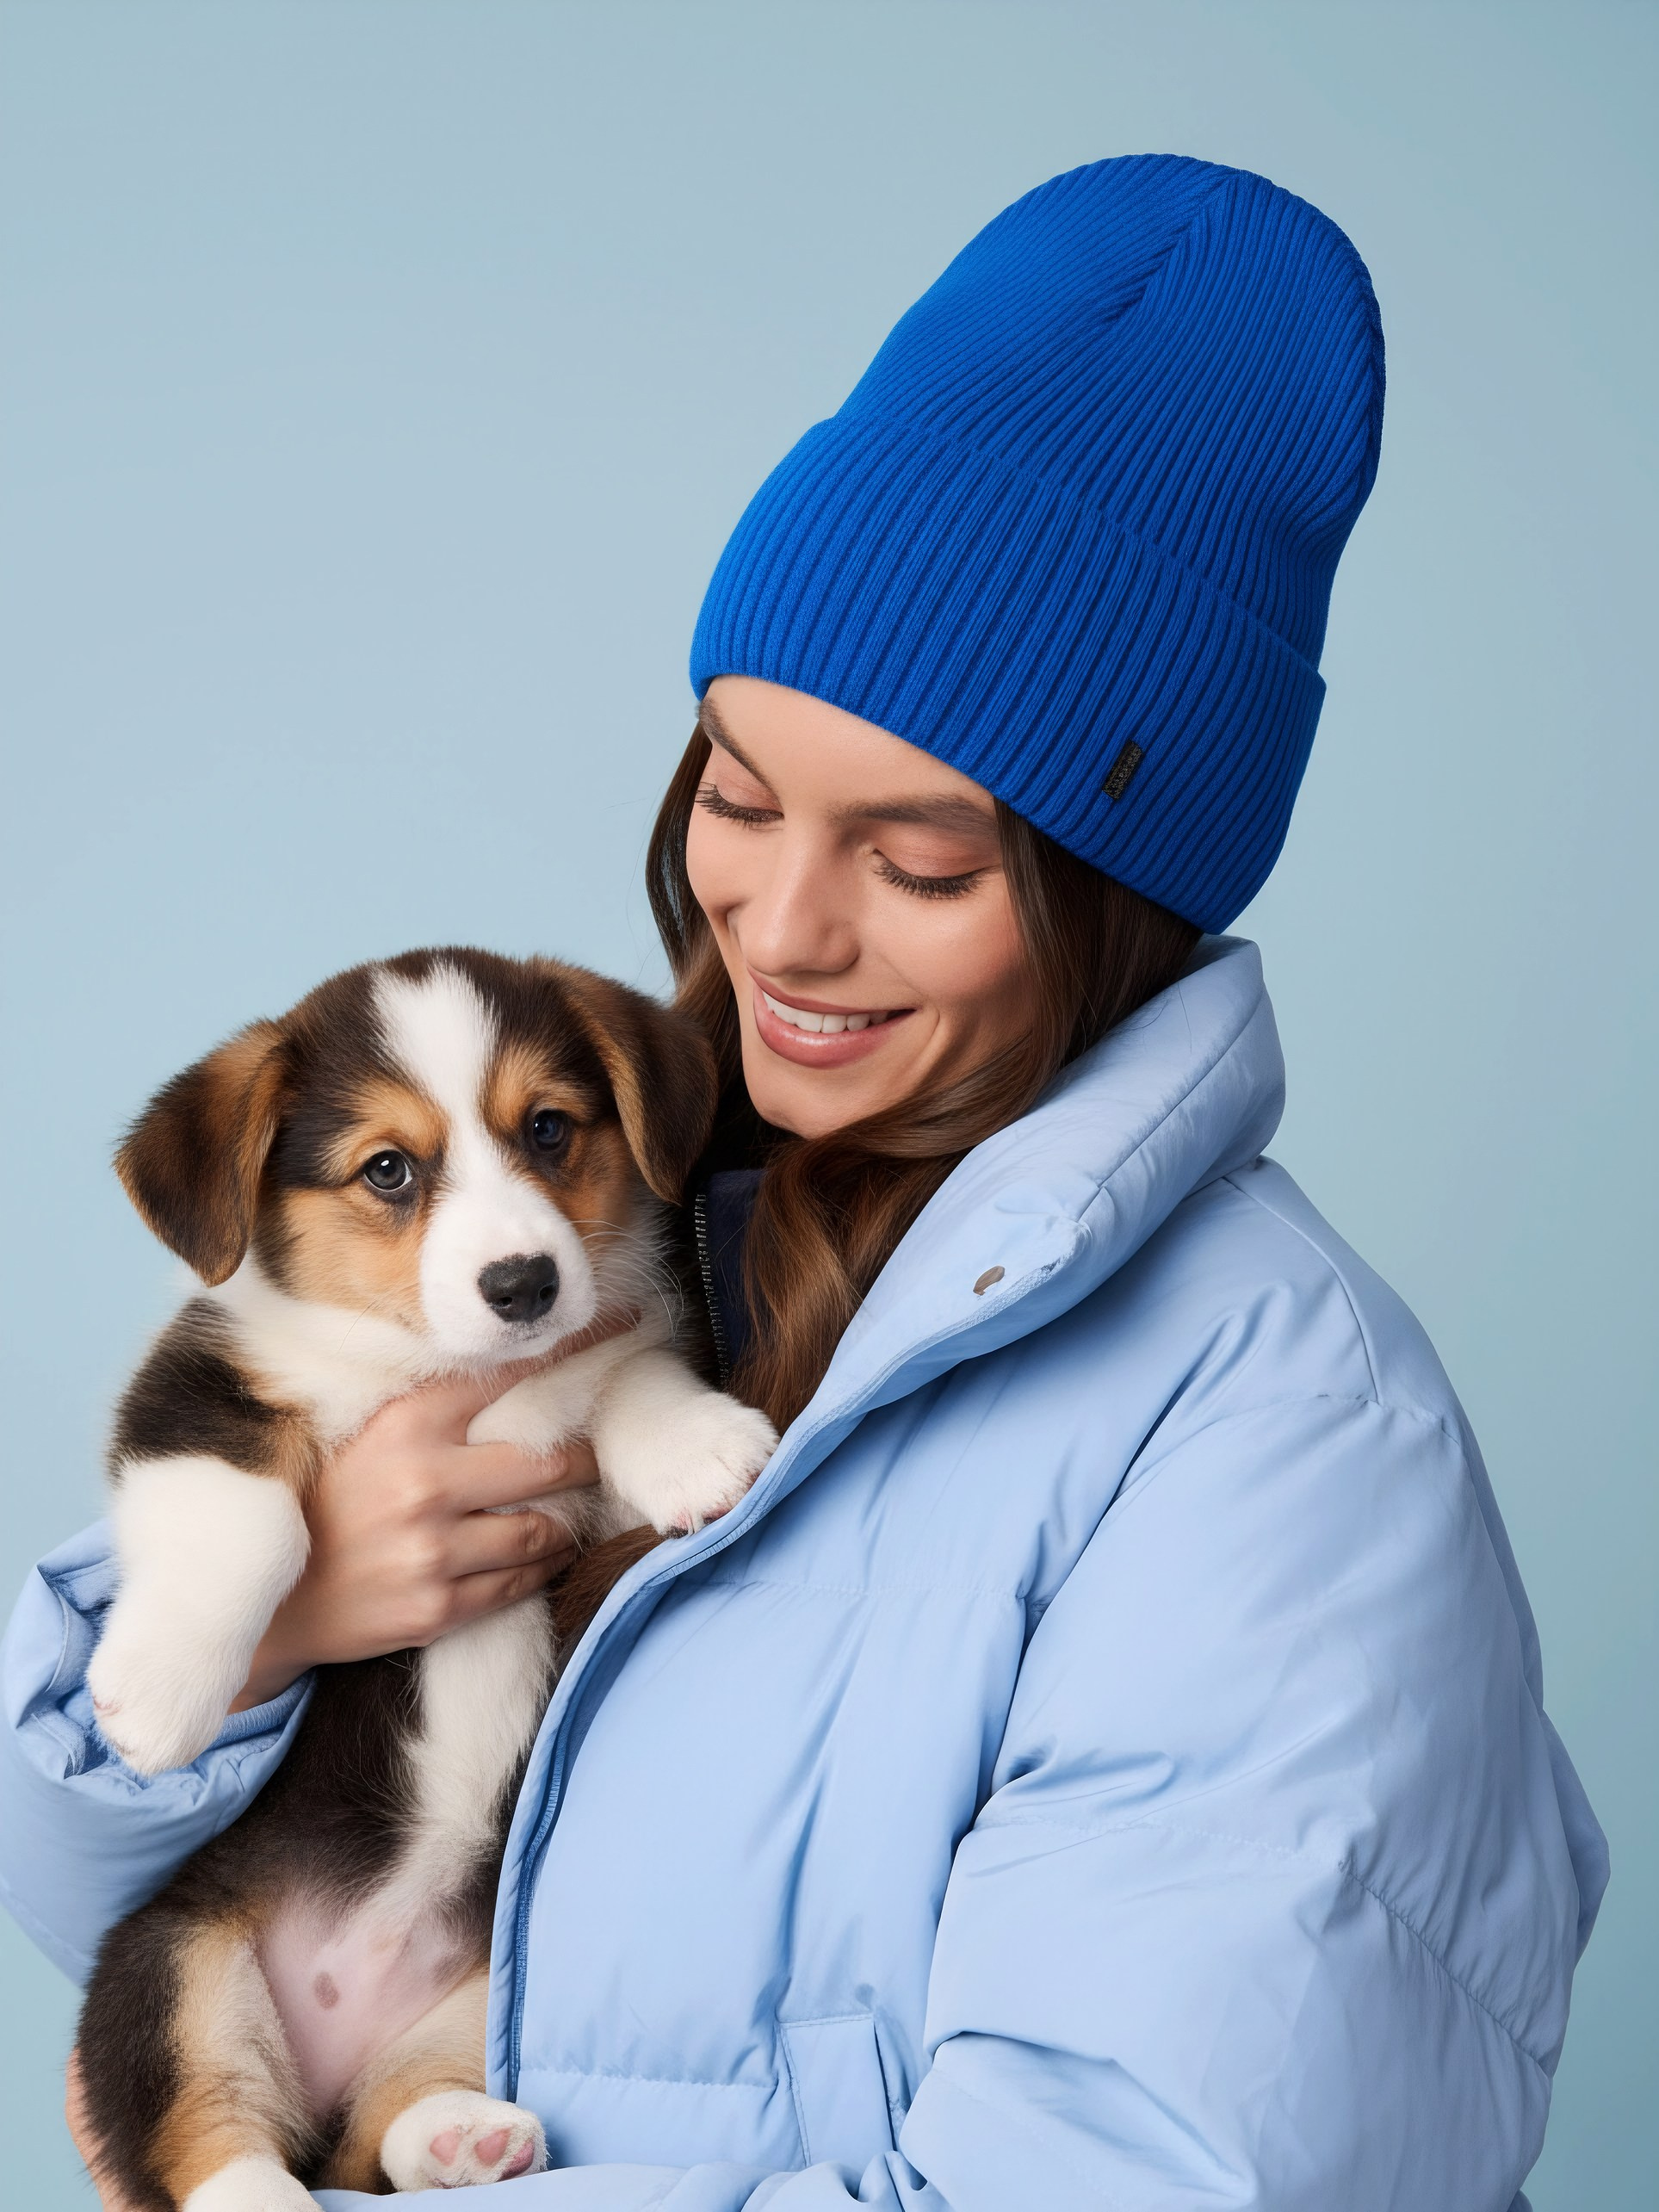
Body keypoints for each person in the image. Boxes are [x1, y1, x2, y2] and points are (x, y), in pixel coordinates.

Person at [3, 155, 1604, 2211]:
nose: (781, 927)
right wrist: (284, 1618)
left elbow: (1133, 2175)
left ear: (1110, 892)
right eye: (738, 797)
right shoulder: (607, 1218)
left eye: (921, 862)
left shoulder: (1285, 1438)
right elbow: (98, 1884)